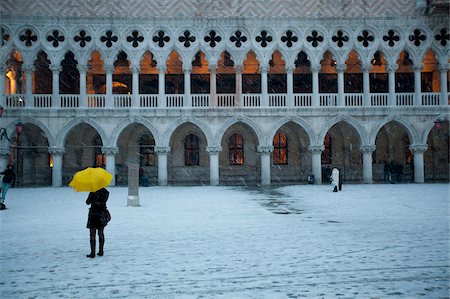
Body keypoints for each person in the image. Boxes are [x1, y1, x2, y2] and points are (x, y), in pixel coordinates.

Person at [86, 187, 111, 258]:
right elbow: (103, 202)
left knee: (92, 233)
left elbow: (87, 202)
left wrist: (92, 196)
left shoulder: (93, 191)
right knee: (101, 232)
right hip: (101, 214)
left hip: (93, 214)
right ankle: (101, 251)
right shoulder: (105, 192)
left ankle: (92, 252)